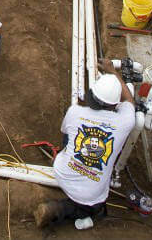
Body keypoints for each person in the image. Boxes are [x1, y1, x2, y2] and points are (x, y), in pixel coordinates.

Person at [35, 65, 135, 229]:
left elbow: (65, 134)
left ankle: (61, 156)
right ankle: (59, 209)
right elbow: (130, 101)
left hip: (61, 171)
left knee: (69, 135)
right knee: (96, 209)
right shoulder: (125, 122)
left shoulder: (74, 112)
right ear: (115, 104)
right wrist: (114, 71)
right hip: (88, 194)